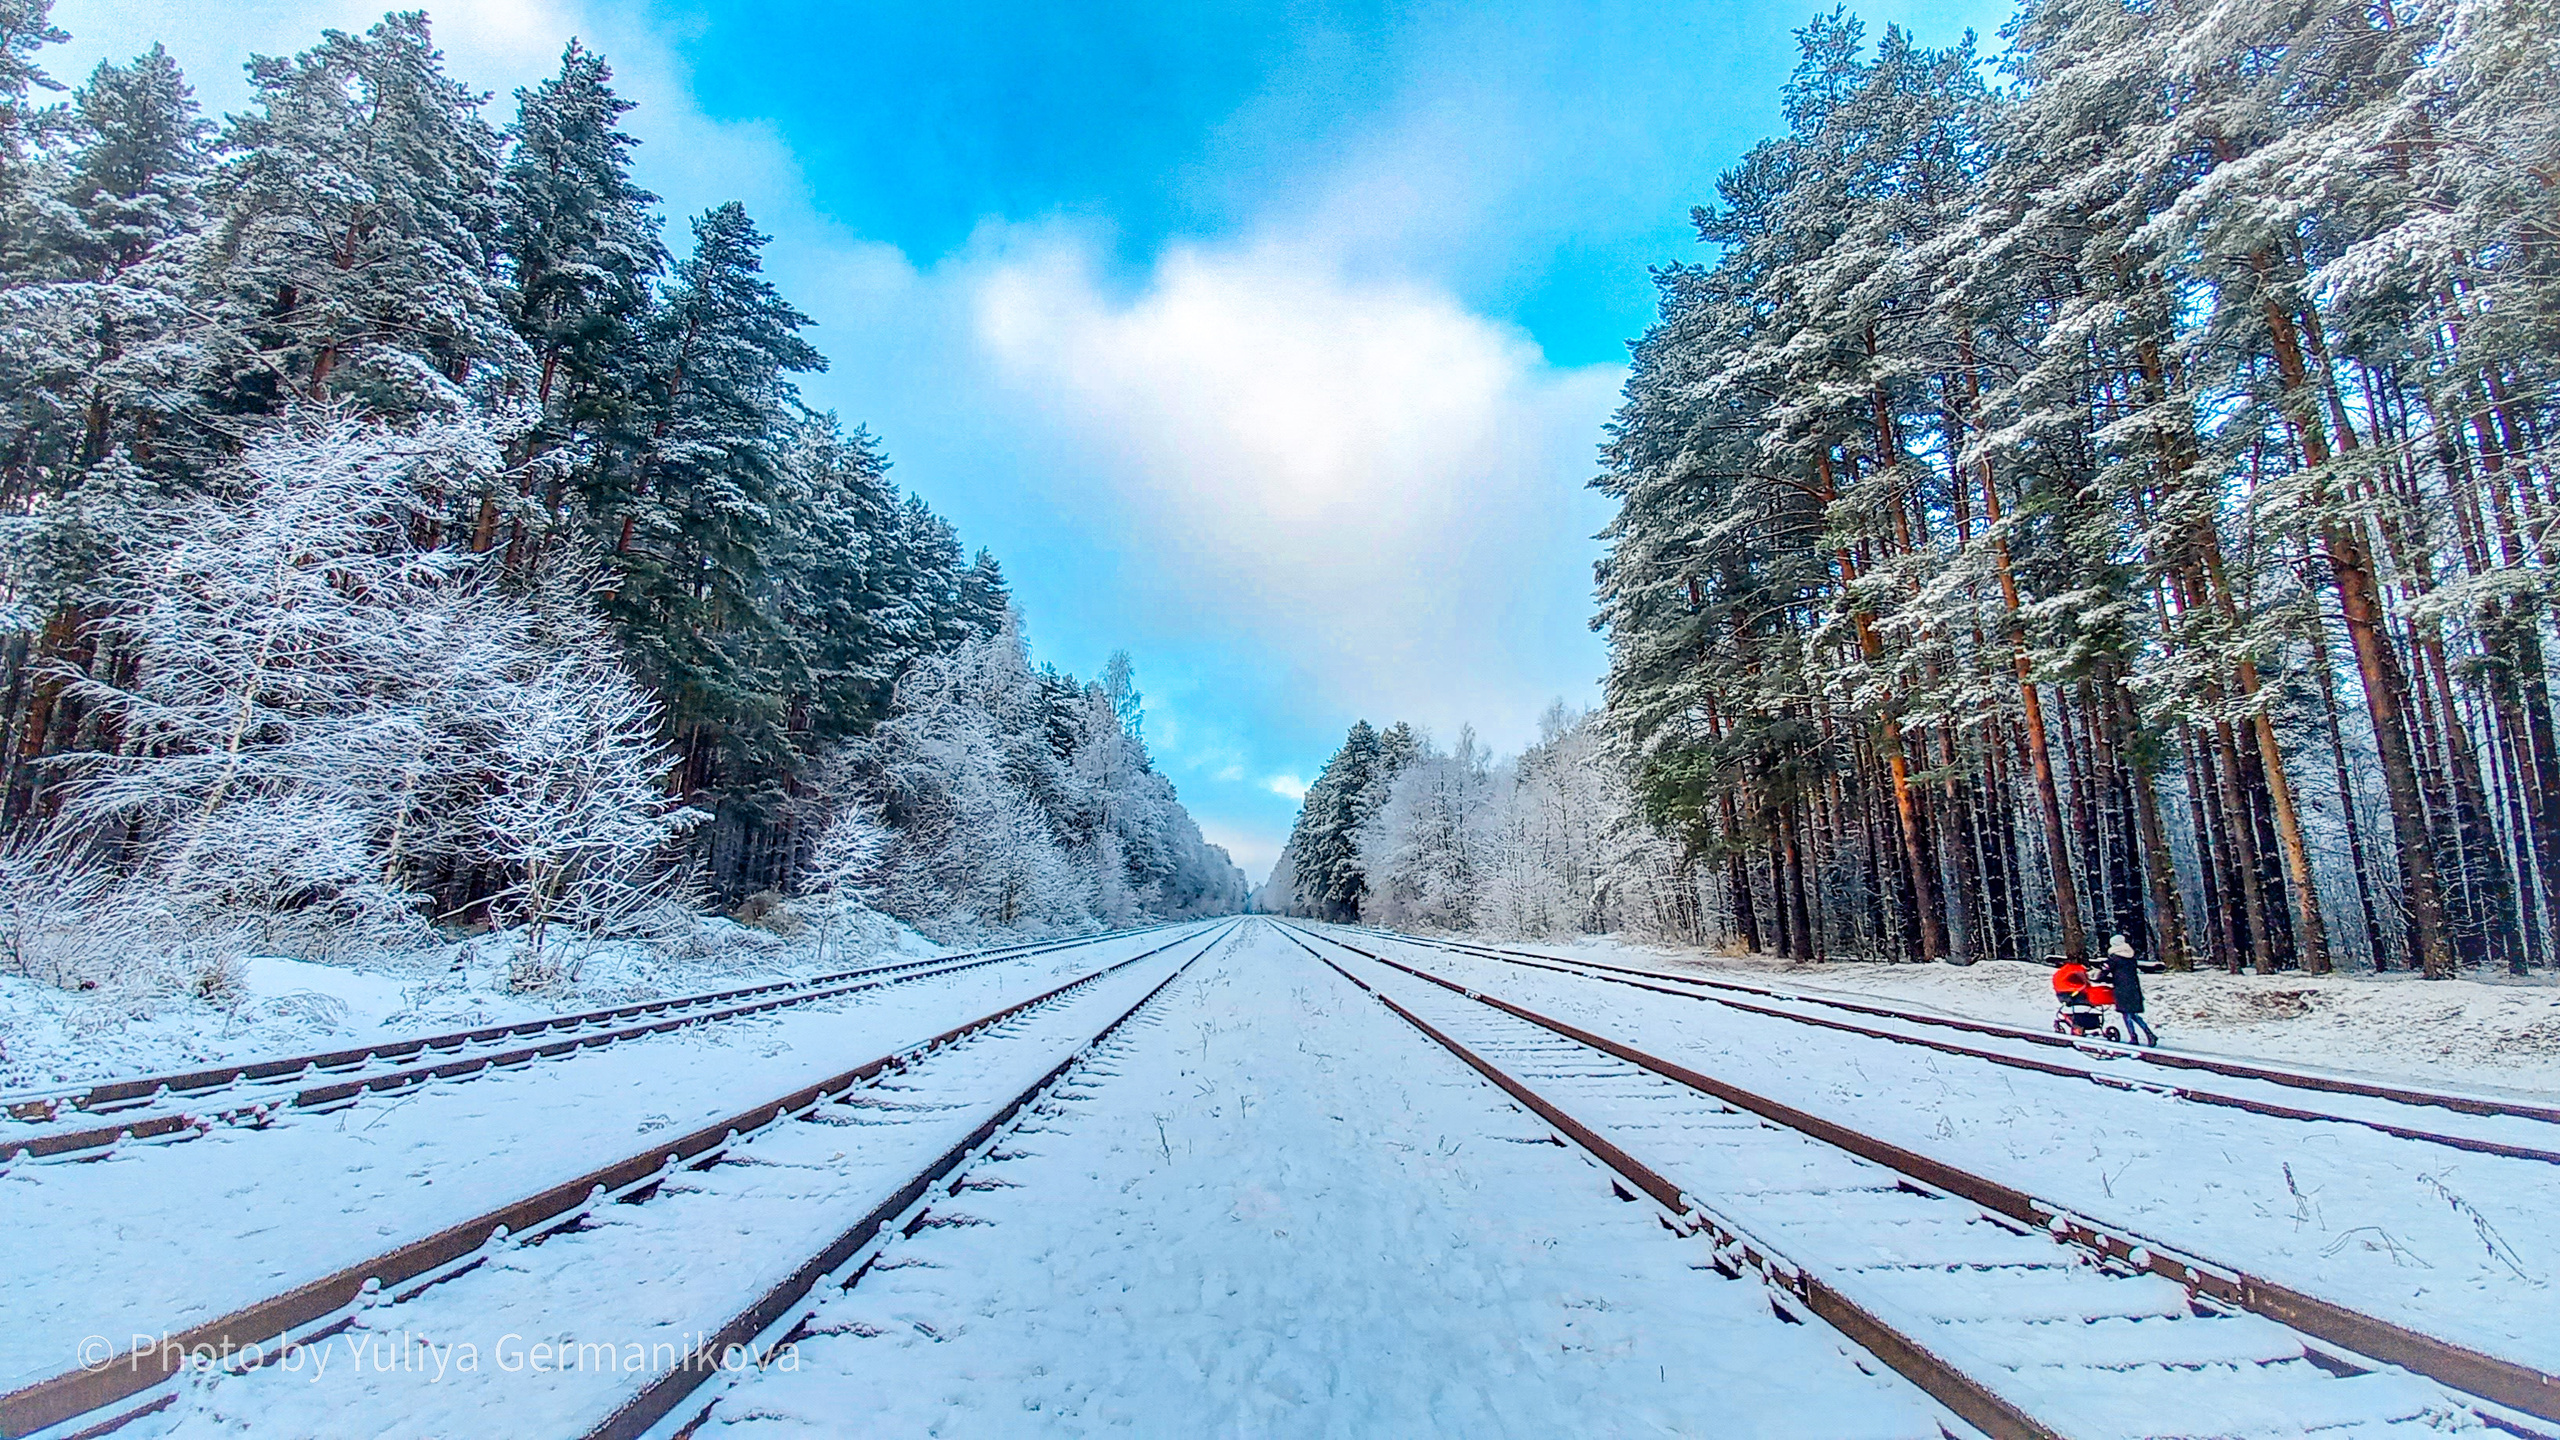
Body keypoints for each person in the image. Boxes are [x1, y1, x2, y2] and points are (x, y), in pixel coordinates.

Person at [2105, 933, 2158, 1047]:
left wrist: (2099, 978)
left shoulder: (2114, 958)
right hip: (2134, 987)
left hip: (2122, 989)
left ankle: (2133, 1037)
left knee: (2126, 1014)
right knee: (2132, 1014)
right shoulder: (2131, 956)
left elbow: (2106, 972)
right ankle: (2149, 1034)